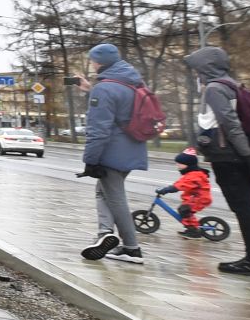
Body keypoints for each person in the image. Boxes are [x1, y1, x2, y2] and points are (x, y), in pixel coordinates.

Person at [186, 46, 250, 277]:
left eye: (196, 69)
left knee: (244, 209)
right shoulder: (232, 84)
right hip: (235, 156)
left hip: (228, 157)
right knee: (247, 208)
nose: (195, 74)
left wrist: (246, 155)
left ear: (205, 68)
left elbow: (230, 124)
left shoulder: (214, 88)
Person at [77, 43, 149, 266]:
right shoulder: (132, 83)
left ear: (99, 62)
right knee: (104, 192)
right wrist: (91, 91)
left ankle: (131, 248)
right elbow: (122, 107)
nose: (92, 64)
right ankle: (105, 234)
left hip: (111, 151)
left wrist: (90, 160)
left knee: (116, 198)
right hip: (133, 148)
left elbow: (99, 130)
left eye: (93, 60)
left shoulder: (105, 88)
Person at [154, 147, 214, 239]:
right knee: (184, 209)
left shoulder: (195, 175)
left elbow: (181, 185)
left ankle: (194, 232)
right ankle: (189, 227)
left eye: (180, 163)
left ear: (188, 164)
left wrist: (167, 190)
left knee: (184, 210)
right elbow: (180, 183)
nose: (177, 165)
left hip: (200, 198)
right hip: (195, 197)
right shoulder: (190, 173)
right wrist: (168, 188)